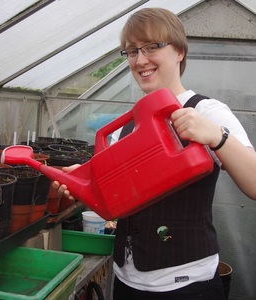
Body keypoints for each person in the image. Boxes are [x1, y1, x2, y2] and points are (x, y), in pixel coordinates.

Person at [53, 8, 256, 300]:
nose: (140, 60)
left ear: (179, 52)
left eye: (152, 47)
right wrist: (84, 182)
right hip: (126, 280)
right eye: (132, 51)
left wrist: (216, 137)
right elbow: (116, 202)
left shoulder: (207, 111)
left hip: (186, 285)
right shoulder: (126, 125)